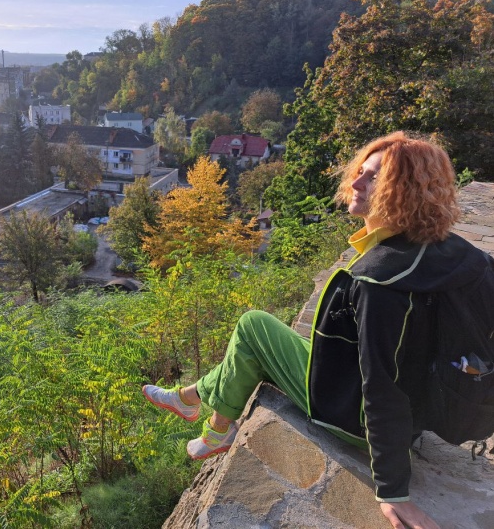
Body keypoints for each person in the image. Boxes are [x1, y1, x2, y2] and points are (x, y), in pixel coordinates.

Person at [143, 131, 492, 529]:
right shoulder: (464, 256)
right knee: (265, 341)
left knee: (253, 326)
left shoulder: (379, 280)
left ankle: (215, 425)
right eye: (360, 172)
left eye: (374, 178)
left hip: (351, 416)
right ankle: (191, 399)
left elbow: (382, 384)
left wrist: (393, 491)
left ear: (406, 191)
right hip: (419, 415)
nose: (356, 183)